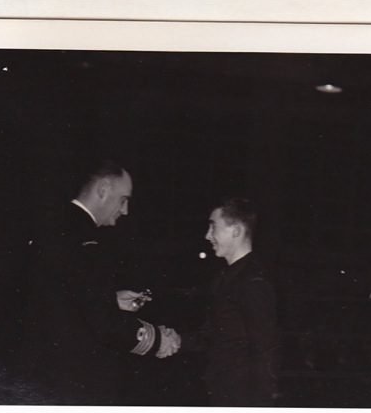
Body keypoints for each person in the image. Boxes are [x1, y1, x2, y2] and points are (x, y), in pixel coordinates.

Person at [19, 161, 180, 404]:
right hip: (71, 378)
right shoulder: (86, 241)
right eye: (123, 200)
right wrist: (157, 340)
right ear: (103, 190)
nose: (125, 210)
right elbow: (104, 323)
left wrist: (110, 299)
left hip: (42, 369)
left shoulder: (55, 224)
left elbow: (64, 296)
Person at [190, 196, 279, 406]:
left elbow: (265, 348)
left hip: (241, 398)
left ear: (236, 231)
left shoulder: (253, 282)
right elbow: (212, 335)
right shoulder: (227, 278)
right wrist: (169, 340)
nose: (207, 235)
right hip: (222, 391)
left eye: (213, 227)